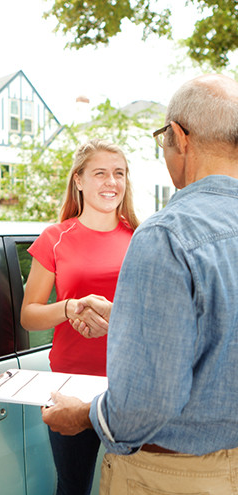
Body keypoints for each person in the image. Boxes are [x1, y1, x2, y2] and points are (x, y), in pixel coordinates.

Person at [41, 73, 238, 494]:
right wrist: (129, 320)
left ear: (180, 137)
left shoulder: (164, 235)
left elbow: (148, 402)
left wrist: (82, 417)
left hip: (176, 475)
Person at [20, 138, 139, 495]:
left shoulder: (143, 237)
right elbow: (29, 316)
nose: (111, 182)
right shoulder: (55, 238)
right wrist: (68, 308)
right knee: (73, 487)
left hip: (130, 383)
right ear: (79, 180)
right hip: (72, 385)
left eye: (119, 173)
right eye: (100, 173)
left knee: (136, 485)